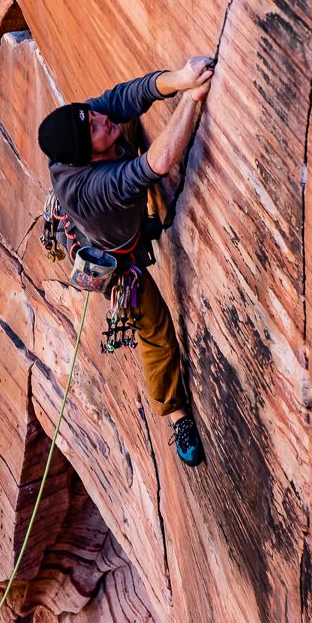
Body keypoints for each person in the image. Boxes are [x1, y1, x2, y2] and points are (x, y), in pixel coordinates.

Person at [37, 56, 214, 466]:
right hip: (115, 261)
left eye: (94, 116)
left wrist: (182, 78)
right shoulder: (92, 188)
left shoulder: (82, 131)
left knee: (129, 112)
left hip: (116, 201)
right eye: (95, 126)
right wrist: (191, 101)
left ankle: (146, 204)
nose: (101, 119)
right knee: (155, 328)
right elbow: (158, 163)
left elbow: (122, 97)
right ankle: (175, 414)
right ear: (88, 158)